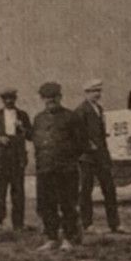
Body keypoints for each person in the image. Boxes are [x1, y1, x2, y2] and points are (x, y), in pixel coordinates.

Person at [31, 81, 87, 251]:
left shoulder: (72, 117)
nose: (50, 101)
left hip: (66, 170)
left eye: (53, 98)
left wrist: (67, 158)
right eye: (46, 98)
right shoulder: (38, 119)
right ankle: (51, 237)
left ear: (60, 97)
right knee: (46, 205)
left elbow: (81, 143)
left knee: (68, 204)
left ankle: (69, 238)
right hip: (45, 169)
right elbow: (37, 142)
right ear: (42, 99)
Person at [74, 79, 122, 233]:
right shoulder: (81, 110)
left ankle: (114, 224)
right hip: (87, 158)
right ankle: (87, 224)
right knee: (86, 190)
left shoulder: (99, 109)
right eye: (94, 91)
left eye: (99, 91)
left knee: (109, 189)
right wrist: (88, 145)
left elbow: (101, 135)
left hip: (101, 156)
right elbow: (77, 134)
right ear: (86, 93)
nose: (97, 94)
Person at [0, 88, 32, 230]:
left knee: (18, 193)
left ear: (15, 99)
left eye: (12, 98)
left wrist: (22, 128)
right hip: (1, 159)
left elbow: (31, 135)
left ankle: (18, 224)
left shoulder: (22, 115)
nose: (9, 101)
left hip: (17, 158)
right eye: (6, 99)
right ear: (3, 101)